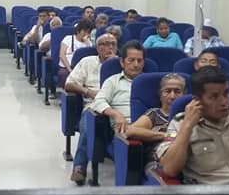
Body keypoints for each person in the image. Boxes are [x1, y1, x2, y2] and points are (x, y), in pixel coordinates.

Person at [80, 41, 146, 184]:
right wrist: (116, 114)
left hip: (148, 128)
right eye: (131, 60)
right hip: (124, 130)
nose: (136, 64)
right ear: (122, 62)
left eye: (139, 60)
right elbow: (98, 101)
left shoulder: (149, 83)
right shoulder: (113, 81)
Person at [65, 33, 119, 185]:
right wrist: (88, 92)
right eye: (105, 44)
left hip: (118, 106)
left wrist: (114, 65)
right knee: (90, 124)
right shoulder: (87, 62)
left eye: (113, 44)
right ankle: (79, 167)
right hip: (93, 105)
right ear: (97, 47)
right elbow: (69, 84)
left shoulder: (122, 63)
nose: (110, 47)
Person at [125, 73, 187, 166]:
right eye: (167, 91)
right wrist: (167, 135)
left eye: (177, 92)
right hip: (159, 162)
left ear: (184, 95)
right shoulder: (154, 114)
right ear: (160, 94)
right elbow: (130, 131)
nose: (172, 96)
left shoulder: (189, 115)